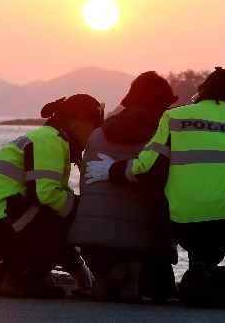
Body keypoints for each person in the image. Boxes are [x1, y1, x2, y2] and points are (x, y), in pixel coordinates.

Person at [85, 67, 225, 308]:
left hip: (185, 225)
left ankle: (198, 268)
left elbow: (148, 167)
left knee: (191, 208)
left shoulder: (173, 117)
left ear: (201, 91)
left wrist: (113, 170)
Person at [0, 94, 104, 299]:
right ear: (80, 119)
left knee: (61, 208)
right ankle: (22, 278)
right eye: (95, 127)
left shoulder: (44, 138)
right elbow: (47, 197)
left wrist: (78, 267)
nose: (94, 135)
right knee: (60, 210)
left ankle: (1, 275)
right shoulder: (51, 140)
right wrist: (88, 209)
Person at [67, 71, 179, 303]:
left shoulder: (97, 136)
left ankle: (117, 275)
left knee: (112, 273)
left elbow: (86, 187)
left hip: (92, 243)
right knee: (162, 291)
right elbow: (165, 186)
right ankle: (133, 269)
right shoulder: (163, 137)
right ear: (160, 104)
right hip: (143, 243)